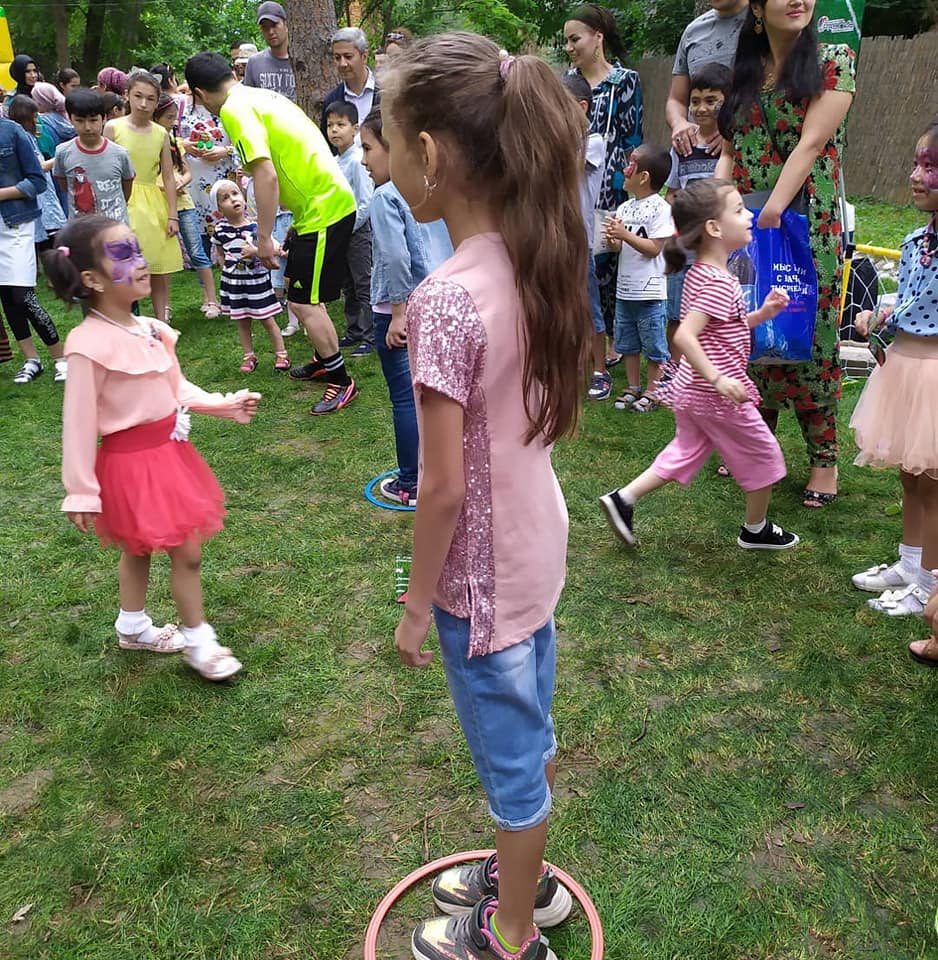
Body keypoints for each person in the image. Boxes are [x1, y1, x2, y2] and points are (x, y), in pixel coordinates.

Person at [384, 34, 593, 960]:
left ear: (429, 155)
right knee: (528, 728)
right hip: (535, 553)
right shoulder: (532, 259)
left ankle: (510, 934)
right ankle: (528, 883)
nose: (386, 160)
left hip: (479, 584)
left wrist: (416, 605)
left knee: (512, 767)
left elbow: (439, 488)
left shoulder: (446, 297)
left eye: (390, 142)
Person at [44, 215, 260, 681]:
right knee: (184, 552)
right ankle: (200, 642)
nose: (140, 262)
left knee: (140, 547)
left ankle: (132, 625)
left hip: (170, 456)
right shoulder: (86, 345)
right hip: (130, 465)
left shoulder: (150, 329)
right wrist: (80, 490)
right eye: (124, 255)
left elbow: (175, 387)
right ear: (92, 279)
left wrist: (223, 404)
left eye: (138, 250)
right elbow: (78, 423)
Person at [600, 178, 798, 551]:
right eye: (738, 210)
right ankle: (755, 529)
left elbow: (723, 327)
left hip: (692, 391)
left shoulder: (705, 273)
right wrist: (719, 379)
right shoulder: (718, 282)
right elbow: (686, 336)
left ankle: (623, 499)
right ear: (714, 228)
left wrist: (762, 314)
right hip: (714, 394)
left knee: (684, 451)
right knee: (765, 455)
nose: (748, 216)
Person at [716, 0, 855, 508]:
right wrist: (716, 209)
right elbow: (729, 150)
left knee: (810, 335)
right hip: (747, 224)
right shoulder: (746, 72)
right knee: (751, 330)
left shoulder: (834, 60)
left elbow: (811, 144)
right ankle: (759, 445)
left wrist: (771, 213)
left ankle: (824, 460)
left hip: (805, 227)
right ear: (757, 7)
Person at [185, 52, 359, 415]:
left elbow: (265, 175)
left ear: (199, 93)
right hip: (317, 207)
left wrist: (263, 237)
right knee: (301, 295)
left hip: (324, 209)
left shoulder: (234, 110)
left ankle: (342, 382)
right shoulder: (258, 95)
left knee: (304, 302)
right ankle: (322, 359)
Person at [849, 123, 938, 635]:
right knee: (910, 472)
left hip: (932, 376)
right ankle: (909, 563)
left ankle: (929, 584)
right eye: (916, 164)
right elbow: (908, 302)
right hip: (902, 368)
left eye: (931, 167)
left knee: (934, 484)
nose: (916, 176)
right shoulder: (913, 241)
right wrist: (879, 317)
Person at [359, 106, 451, 505]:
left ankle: (412, 482)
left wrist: (398, 312)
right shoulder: (433, 186)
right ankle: (442, 468)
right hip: (439, 300)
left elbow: (396, 258)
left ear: (393, 148)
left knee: (405, 397)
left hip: (399, 310)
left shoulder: (385, 196)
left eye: (368, 149)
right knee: (436, 395)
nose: (364, 160)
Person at [564, 3, 642, 366]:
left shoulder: (625, 80)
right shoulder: (567, 81)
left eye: (575, 39)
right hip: (574, 183)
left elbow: (632, 138)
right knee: (583, 266)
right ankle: (588, 337)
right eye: (566, 41)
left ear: (598, 37)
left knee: (609, 262)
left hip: (610, 184)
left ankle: (613, 338)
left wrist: (624, 187)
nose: (570, 47)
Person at [664, 62, 730, 367]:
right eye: (695, 101)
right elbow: (672, 194)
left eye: (711, 100)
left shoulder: (731, 147)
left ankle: (713, 369)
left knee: (715, 310)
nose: (701, 108)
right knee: (678, 311)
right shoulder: (682, 147)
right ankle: (675, 372)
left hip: (719, 247)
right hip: (687, 243)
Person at [105, 69, 182, 324]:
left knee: (158, 268)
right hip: (122, 199)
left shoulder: (160, 133)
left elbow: (168, 176)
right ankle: (125, 320)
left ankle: (161, 321)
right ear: (127, 95)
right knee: (123, 266)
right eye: (138, 96)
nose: (143, 104)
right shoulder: (113, 128)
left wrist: (173, 214)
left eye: (150, 99)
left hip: (153, 202)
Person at [603, 144, 674, 413]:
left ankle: (653, 391)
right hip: (625, 291)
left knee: (654, 344)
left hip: (650, 293)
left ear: (643, 177)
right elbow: (618, 248)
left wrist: (625, 235)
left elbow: (654, 248)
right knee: (628, 343)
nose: (624, 169)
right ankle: (633, 387)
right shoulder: (624, 208)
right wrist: (613, 240)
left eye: (630, 164)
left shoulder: (661, 209)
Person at [0, 113, 68, 383]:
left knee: (23, 295)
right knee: (7, 296)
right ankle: (31, 359)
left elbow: (37, 180)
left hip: (16, 224)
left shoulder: (12, 132)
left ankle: (60, 359)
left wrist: (2, 194)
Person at [562, 72, 611, 402]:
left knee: (589, 305)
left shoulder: (593, 142)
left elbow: (566, 163)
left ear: (582, 107)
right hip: (555, 239)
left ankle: (600, 370)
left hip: (579, 241)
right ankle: (571, 365)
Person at [210, 178, 289, 371]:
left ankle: (281, 354)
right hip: (234, 284)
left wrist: (255, 251)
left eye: (235, 193)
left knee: (266, 318)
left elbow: (276, 249)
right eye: (225, 198)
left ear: (243, 197)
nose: (232, 199)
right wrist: (225, 268)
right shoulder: (220, 230)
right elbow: (220, 252)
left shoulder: (257, 228)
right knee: (242, 320)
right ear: (219, 208)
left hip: (257, 282)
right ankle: (249, 356)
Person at [153, 93, 220, 317]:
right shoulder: (150, 142)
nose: (173, 122)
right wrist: (167, 187)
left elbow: (186, 171)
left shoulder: (175, 142)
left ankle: (212, 300)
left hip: (184, 203)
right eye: (169, 117)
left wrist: (181, 182)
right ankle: (165, 306)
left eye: (175, 117)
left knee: (197, 251)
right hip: (159, 204)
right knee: (164, 258)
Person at [666, 0, 748, 158]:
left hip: (753, 152)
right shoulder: (693, 32)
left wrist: (732, 130)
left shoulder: (765, 23)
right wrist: (679, 123)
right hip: (699, 154)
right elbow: (676, 99)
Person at [325, 100, 374, 357]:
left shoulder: (357, 161)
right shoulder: (334, 160)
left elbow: (365, 202)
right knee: (348, 285)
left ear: (355, 129)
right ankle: (354, 329)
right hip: (340, 232)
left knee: (363, 282)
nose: (334, 130)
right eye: (330, 125)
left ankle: (371, 335)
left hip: (357, 232)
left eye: (340, 124)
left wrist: (349, 229)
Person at [55, 88, 134, 224]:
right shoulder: (63, 152)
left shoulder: (119, 154)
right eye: (79, 120)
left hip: (115, 227)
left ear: (103, 119)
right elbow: (65, 185)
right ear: (70, 119)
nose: (87, 127)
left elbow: (126, 187)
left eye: (93, 120)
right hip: (81, 229)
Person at [7, 95, 67, 250]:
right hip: (41, 199)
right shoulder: (23, 137)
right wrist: (62, 156)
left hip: (44, 197)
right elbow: (38, 167)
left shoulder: (26, 136)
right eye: (34, 117)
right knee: (50, 243)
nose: (37, 121)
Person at [322, 26, 380, 136]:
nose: (342, 64)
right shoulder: (332, 99)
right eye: (337, 58)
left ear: (364, 56)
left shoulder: (385, 93)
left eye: (348, 57)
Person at [243, 1, 296, 103]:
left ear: (286, 24)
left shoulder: (303, 60)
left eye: (274, 25)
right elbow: (249, 102)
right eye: (265, 27)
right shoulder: (254, 63)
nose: (270, 32)